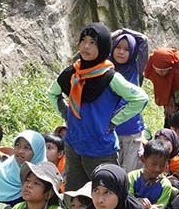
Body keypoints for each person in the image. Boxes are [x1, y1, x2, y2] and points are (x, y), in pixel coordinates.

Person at [49, 22, 150, 191]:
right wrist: (66, 113)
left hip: (100, 149)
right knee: (73, 197)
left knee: (107, 196)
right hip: (74, 146)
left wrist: (113, 121)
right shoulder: (72, 73)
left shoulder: (110, 77)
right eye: (83, 40)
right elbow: (53, 93)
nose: (86, 46)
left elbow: (140, 98)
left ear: (103, 46)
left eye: (93, 42)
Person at [110, 27, 151, 168]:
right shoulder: (106, 67)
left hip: (132, 131)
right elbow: (103, 44)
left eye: (127, 49)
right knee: (112, 171)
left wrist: (122, 31)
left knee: (128, 172)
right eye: (118, 47)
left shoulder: (136, 68)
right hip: (109, 129)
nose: (121, 52)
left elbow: (143, 40)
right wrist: (114, 36)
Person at [128, 136, 177, 209]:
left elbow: (161, 206)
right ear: (143, 159)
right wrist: (138, 201)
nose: (157, 169)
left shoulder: (165, 185)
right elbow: (127, 198)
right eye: (154, 164)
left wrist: (151, 208)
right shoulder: (132, 177)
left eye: (162, 165)